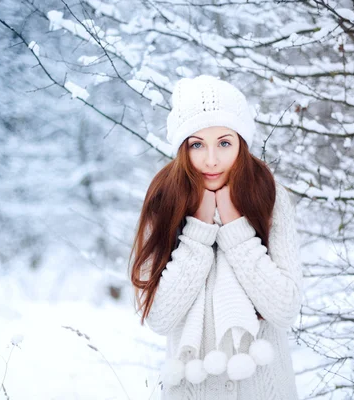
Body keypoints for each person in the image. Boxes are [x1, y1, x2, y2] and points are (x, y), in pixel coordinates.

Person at [129, 74, 303, 399]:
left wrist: (236, 228)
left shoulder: (269, 195)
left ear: (241, 142)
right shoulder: (164, 200)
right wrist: (198, 230)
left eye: (224, 143)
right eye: (197, 144)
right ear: (182, 148)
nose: (211, 159)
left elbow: (284, 308)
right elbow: (160, 317)